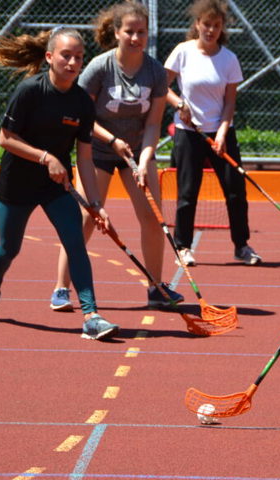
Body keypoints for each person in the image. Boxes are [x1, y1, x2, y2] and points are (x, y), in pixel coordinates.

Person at [0, 27, 119, 340]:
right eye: (66, 56)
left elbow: (84, 158)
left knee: (75, 243)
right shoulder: (30, 91)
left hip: (55, 186)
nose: (72, 62)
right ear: (50, 57)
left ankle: (91, 316)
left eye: (78, 57)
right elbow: (5, 138)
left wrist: (96, 205)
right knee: (9, 249)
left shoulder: (82, 102)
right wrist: (45, 158)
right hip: (18, 182)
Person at [50, 1, 185, 312]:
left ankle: (155, 287)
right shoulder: (100, 67)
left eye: (142, 32)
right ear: (116, 32)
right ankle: (61, 288)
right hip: (96, 151)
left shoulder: (155, 72)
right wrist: (112, 141)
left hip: (137, 152)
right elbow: (83, 117)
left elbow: (153, 123)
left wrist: (146, 157)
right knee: (84, 218)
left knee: (153, 218)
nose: (136, 38)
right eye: (130, 32)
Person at [164, 0, 261, 267]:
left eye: (216, 26)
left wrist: (221, 133)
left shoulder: (229, 59)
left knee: (235, 192)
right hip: (188, 132)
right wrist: (179, 104)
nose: (210, 30)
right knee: (187, 192)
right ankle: (182, 247)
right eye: (206, 24)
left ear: (222, 28)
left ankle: (241, 246)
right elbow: (163, 86)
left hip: (221, 132)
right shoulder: (182, 52)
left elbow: (230, 103)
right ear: (197, 24)